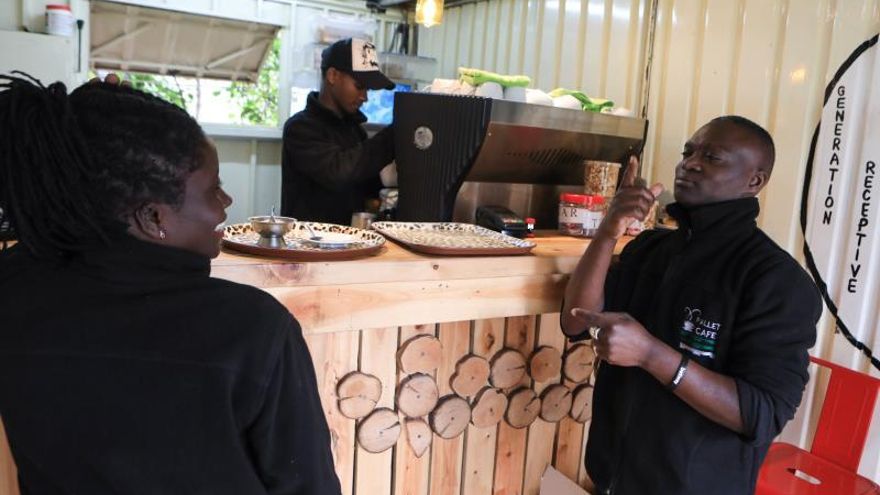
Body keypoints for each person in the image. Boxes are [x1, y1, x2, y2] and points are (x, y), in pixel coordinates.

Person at [0, 74, 342, 494]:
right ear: (153, 218)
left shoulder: (14, 290)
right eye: (213, 189)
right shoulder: (252, 329)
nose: (226, 203)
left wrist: (78, 144)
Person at [560, 116, 821, 495]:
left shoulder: (775, 279)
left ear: (755, 181)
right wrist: (608, 230)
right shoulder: (650, 249)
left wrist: (650, 354)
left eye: (712, 157)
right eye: (688, 152)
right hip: (611, 479)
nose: (690, 164)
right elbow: (575, 322)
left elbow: (761, 414)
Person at [281, 38, 396, 225]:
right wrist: (395, 134)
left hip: (348, 239)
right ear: (333, 76)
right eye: (359, 86)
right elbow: (338, 172)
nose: (364, 97)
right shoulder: (300, 128)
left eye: (367, 89)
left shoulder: (355, 131)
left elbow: (368, 187)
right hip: (308, 240)